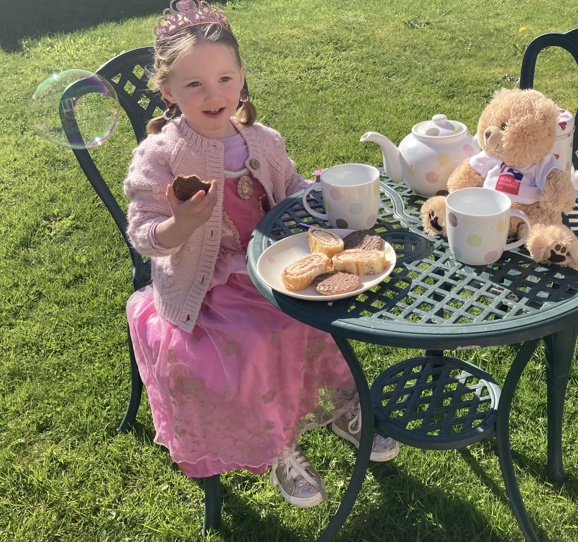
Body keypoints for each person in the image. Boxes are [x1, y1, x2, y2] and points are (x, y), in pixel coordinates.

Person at [123, 0, 398, 508]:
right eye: (195, 85)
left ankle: (344, 406)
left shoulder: (262, 140)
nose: (214, 95)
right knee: (259, 335)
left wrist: (312, 193)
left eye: (225, 79)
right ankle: (278, 448)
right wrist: (178, 224)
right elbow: (142, 234)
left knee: (323, 310)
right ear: (167, 91)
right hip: (206, 286)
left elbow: (288, 184)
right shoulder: (160, 155)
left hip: (269, 265)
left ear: (243, 76)